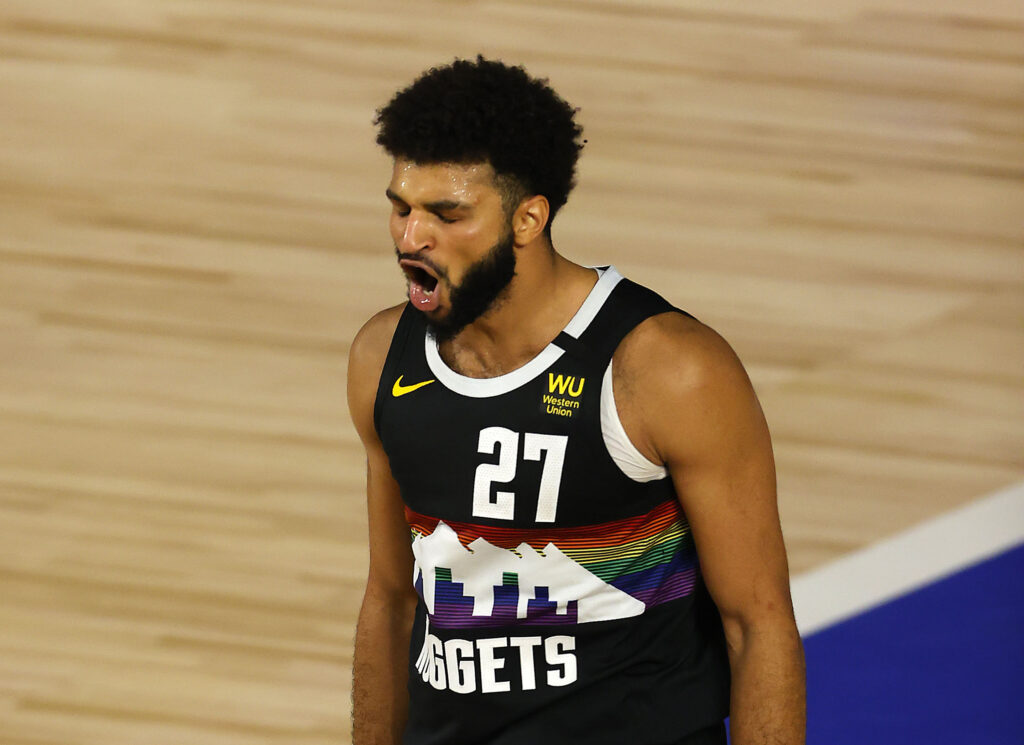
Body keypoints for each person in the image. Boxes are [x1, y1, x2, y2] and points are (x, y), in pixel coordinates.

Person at [347, 56, 805, 745]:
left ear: (528, 218)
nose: (412, 237)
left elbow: (758, 623)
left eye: (447, 214)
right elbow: (390, 598)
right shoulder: (384, 358)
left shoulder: (666, 369)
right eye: (401, 206)